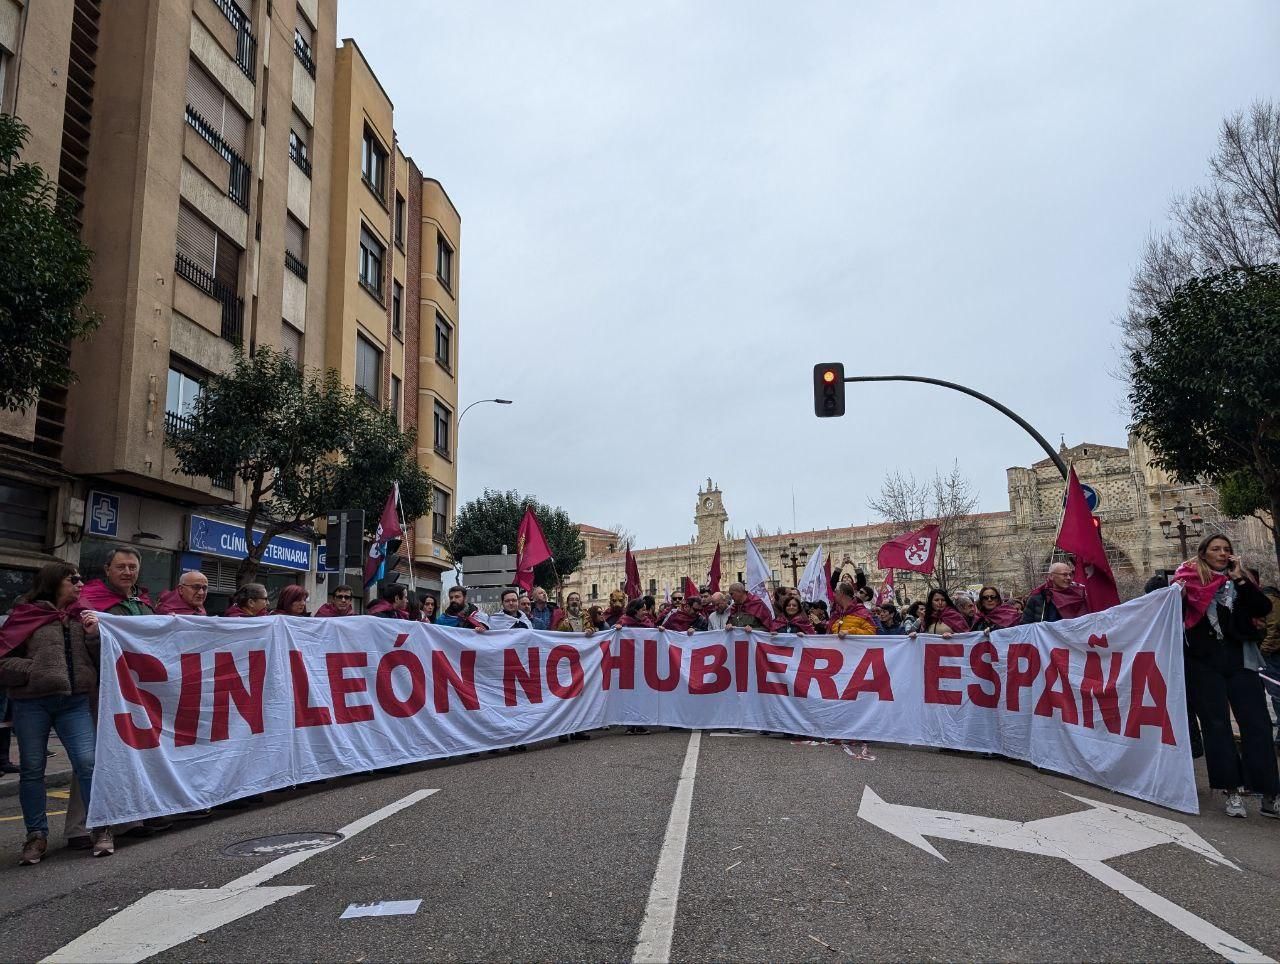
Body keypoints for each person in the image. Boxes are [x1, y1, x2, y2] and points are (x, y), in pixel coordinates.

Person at [0, 563, 111, 862]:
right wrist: (35, 671)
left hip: (74, 702)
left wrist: (93, 636)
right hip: (31, 704)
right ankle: (36, 836)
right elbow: (3, 660)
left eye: (81, 579)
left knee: (87, 764)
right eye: (73, 579)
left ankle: (100, 828)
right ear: (53, 582)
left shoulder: (82, 616)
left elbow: (100, 661)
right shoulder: (25, 615)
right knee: (32, 769)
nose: (80, 584)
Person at [1172, 535, 1278, 818]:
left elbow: (1263, 608)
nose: (1222, 553)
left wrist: (1240, 578)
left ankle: (1269, 793)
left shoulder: (1239, 581)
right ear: (1203, 553)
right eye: (1216, 549)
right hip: (1204, 662)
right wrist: (1177, 595)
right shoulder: (1186, 582)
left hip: (1240, 660)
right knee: (1216, 726)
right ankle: (1232, 792)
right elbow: (1169, 614)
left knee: (1257, 724)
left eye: (1226, 549)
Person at [73, 546, 154, 616]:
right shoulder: (87, 598)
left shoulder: (144, 599)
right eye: (121, 567)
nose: (127, 573)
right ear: (107, 570)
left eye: (132, 568)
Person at [1022, 563, 1088, 624]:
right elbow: (1025, 626)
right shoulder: (1039, 598)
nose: (1069, 578)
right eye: (1064, 575)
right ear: (1051, 576)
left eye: (1070, 575)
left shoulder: (1078, 595)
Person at [1259, 577, 1280, 744]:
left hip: (1271, 654)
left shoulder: (1269, 599)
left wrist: (1263, 650)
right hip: (1268, 653)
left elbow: (1274, 628)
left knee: (1276, 693)